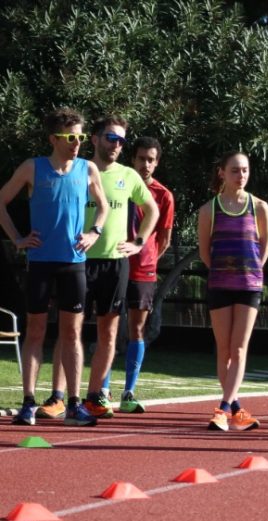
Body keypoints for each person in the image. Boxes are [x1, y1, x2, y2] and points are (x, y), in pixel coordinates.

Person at [47, 115, 159, 420]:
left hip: (114, 264)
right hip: (77, 261)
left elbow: (153, 209)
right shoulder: (77, 169)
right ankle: (58, 396)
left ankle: (95, 395)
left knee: (109, 334)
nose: (116, 145)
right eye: (111, 138)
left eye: (121, 140)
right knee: (70, 331)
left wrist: (137, 242)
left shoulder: (128, 176)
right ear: (94, 139)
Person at [1, 108, 108, 426]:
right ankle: (29, 403)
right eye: (69, 137)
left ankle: (74, 403)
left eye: (79, 137)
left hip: (73, 263)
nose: (76, 143)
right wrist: (18, 239)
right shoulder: (32, 168)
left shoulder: (88, 169)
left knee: (72, 333)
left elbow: (102, 208)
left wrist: (94, 232)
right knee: (34, 331)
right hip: (40, 263)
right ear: (53, 139)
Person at [92, 136, 174, 415]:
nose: (146, 164)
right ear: (133, 159)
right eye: (141, 158)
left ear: (157, 162)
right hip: (111, 262)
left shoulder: (163, 195)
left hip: (142, 269)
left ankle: (129, 391)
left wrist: (146, 256)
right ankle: (102, 390)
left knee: (136, 329)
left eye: (151, 159)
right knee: (108, 327)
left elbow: (164, 237)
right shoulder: (120, 181)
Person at [198, 152, 268, 431]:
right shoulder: (209, 210)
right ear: (222, 173)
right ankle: (236, 408)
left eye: (244, 171)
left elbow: (264, 245)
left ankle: (224, 409)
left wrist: (252, 271)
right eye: (235, 171)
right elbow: (205, 252)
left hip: (249, 286)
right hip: (219, 285)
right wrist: (224, 271)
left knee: (240, 348)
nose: (240, 176)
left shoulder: (260, 206)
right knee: (225, 350)